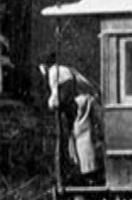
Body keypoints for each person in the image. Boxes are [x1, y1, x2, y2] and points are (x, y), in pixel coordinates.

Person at [39, 52, 101, 185]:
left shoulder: (54, 72)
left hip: (80, 103)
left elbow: (59, 95)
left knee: (82, 135)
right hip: (84, 101)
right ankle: (83, 168)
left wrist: (52, 104)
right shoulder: (67, 69)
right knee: (78, 135)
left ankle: (89, 172)